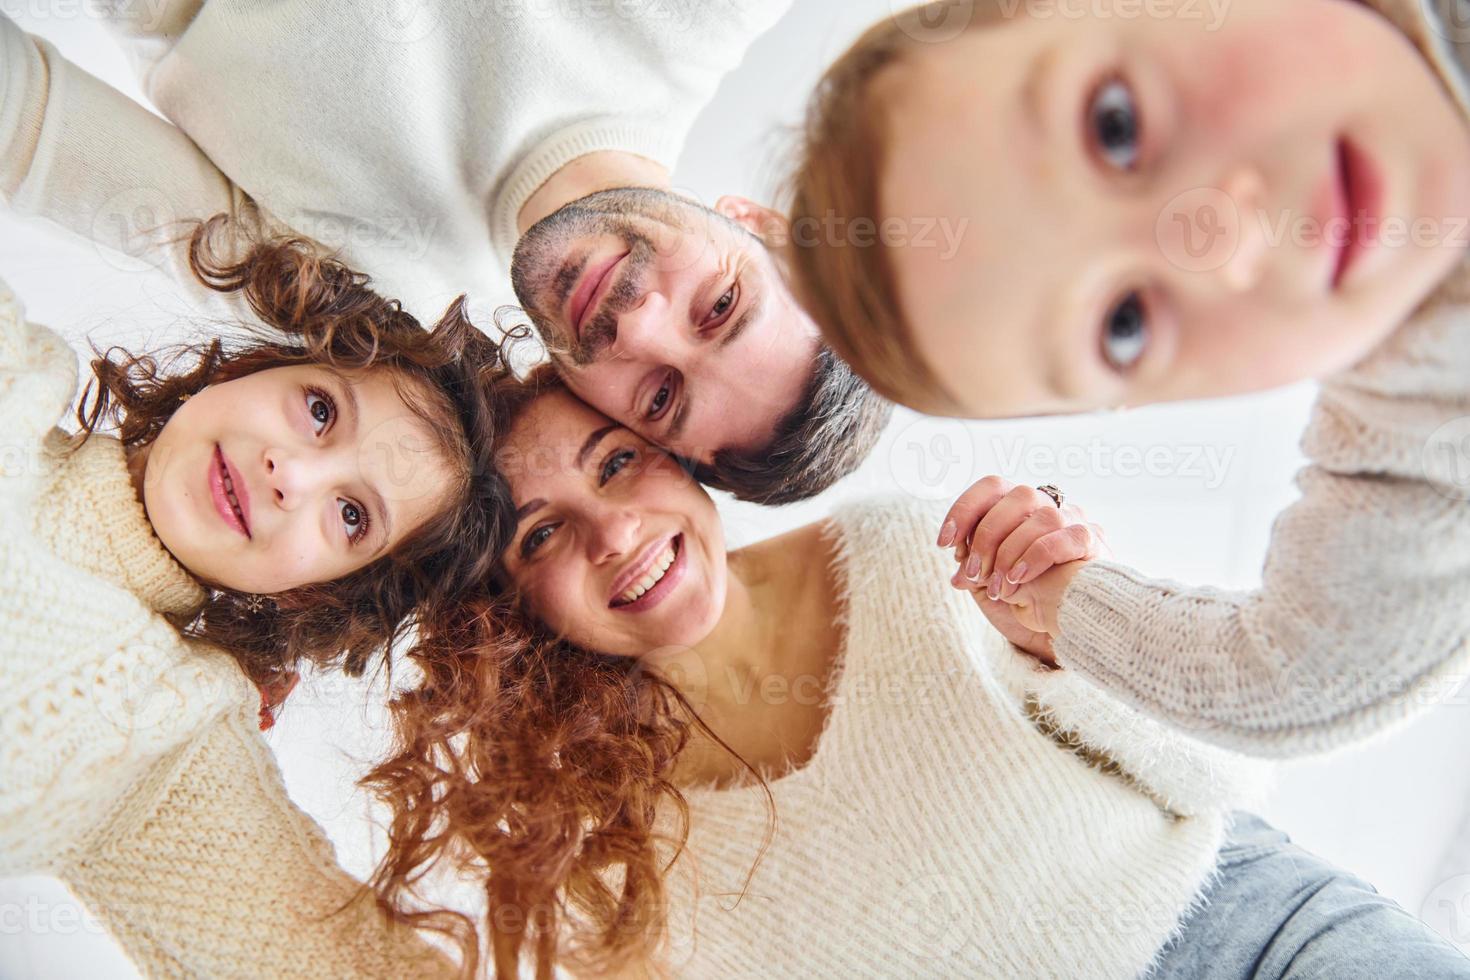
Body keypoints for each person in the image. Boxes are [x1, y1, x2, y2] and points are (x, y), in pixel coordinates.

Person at [352, 367, 1470, 978]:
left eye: (617, 465)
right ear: (510, 606)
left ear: (680, 457)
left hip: (1254, 931)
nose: (614, 534)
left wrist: (1069, 620)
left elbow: (1215, 777)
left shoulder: (898, 548)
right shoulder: (581, 822)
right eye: (541, 535)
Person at [784, 0, 1470, 754]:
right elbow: (1287, 679)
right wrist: (1060, 593)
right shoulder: (1416, 437)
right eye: (1126, 325)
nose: (1230, 239)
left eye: (1116, 127)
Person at [0, 2, 892, 504]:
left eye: (660, 396)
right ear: (761, 222)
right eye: (721, 308)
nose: (640, 325)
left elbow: (31, 130)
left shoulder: (359, 302)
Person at [0, 218, 504, 976]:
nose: (292, 476)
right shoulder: (16, 372)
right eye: (320, 410)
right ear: (255, 367)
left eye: (351, 516)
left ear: (316, 594)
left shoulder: (164, 736)